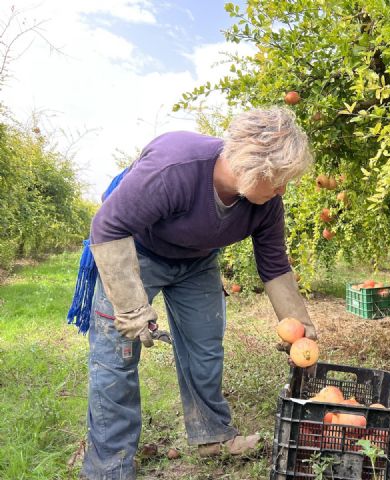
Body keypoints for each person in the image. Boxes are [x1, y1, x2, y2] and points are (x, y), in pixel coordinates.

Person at [80, 107, 318, 479]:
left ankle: (212, 435)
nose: (282, 189)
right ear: (253, 165)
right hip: (134, 255)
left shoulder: (267, 205)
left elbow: (273, 265)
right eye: (278, 179)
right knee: (117, 359)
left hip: (197, 263)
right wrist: (131, 307)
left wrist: (299, 324)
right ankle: (109, 466)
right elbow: (108, 226)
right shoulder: (176, 167)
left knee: (205, 351)